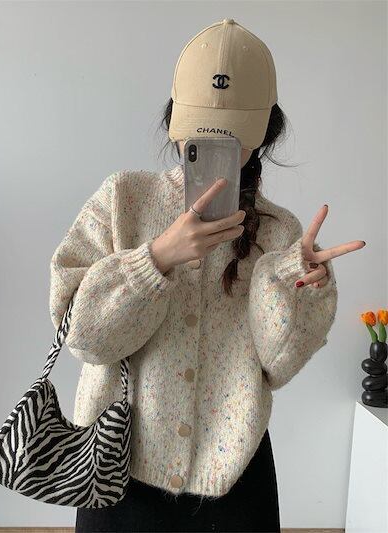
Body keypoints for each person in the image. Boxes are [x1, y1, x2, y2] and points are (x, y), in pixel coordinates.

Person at [49, 18, 364, 533]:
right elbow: (84, 339)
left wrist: (294, 288)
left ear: (266, 133)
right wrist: (155, 260)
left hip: (234, 480)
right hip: (115, 473)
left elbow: (278, 367)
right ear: (174, 121)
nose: (215, 144)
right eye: (199, 130)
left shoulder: (279, 231)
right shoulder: (122, 199)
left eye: (233, 134)